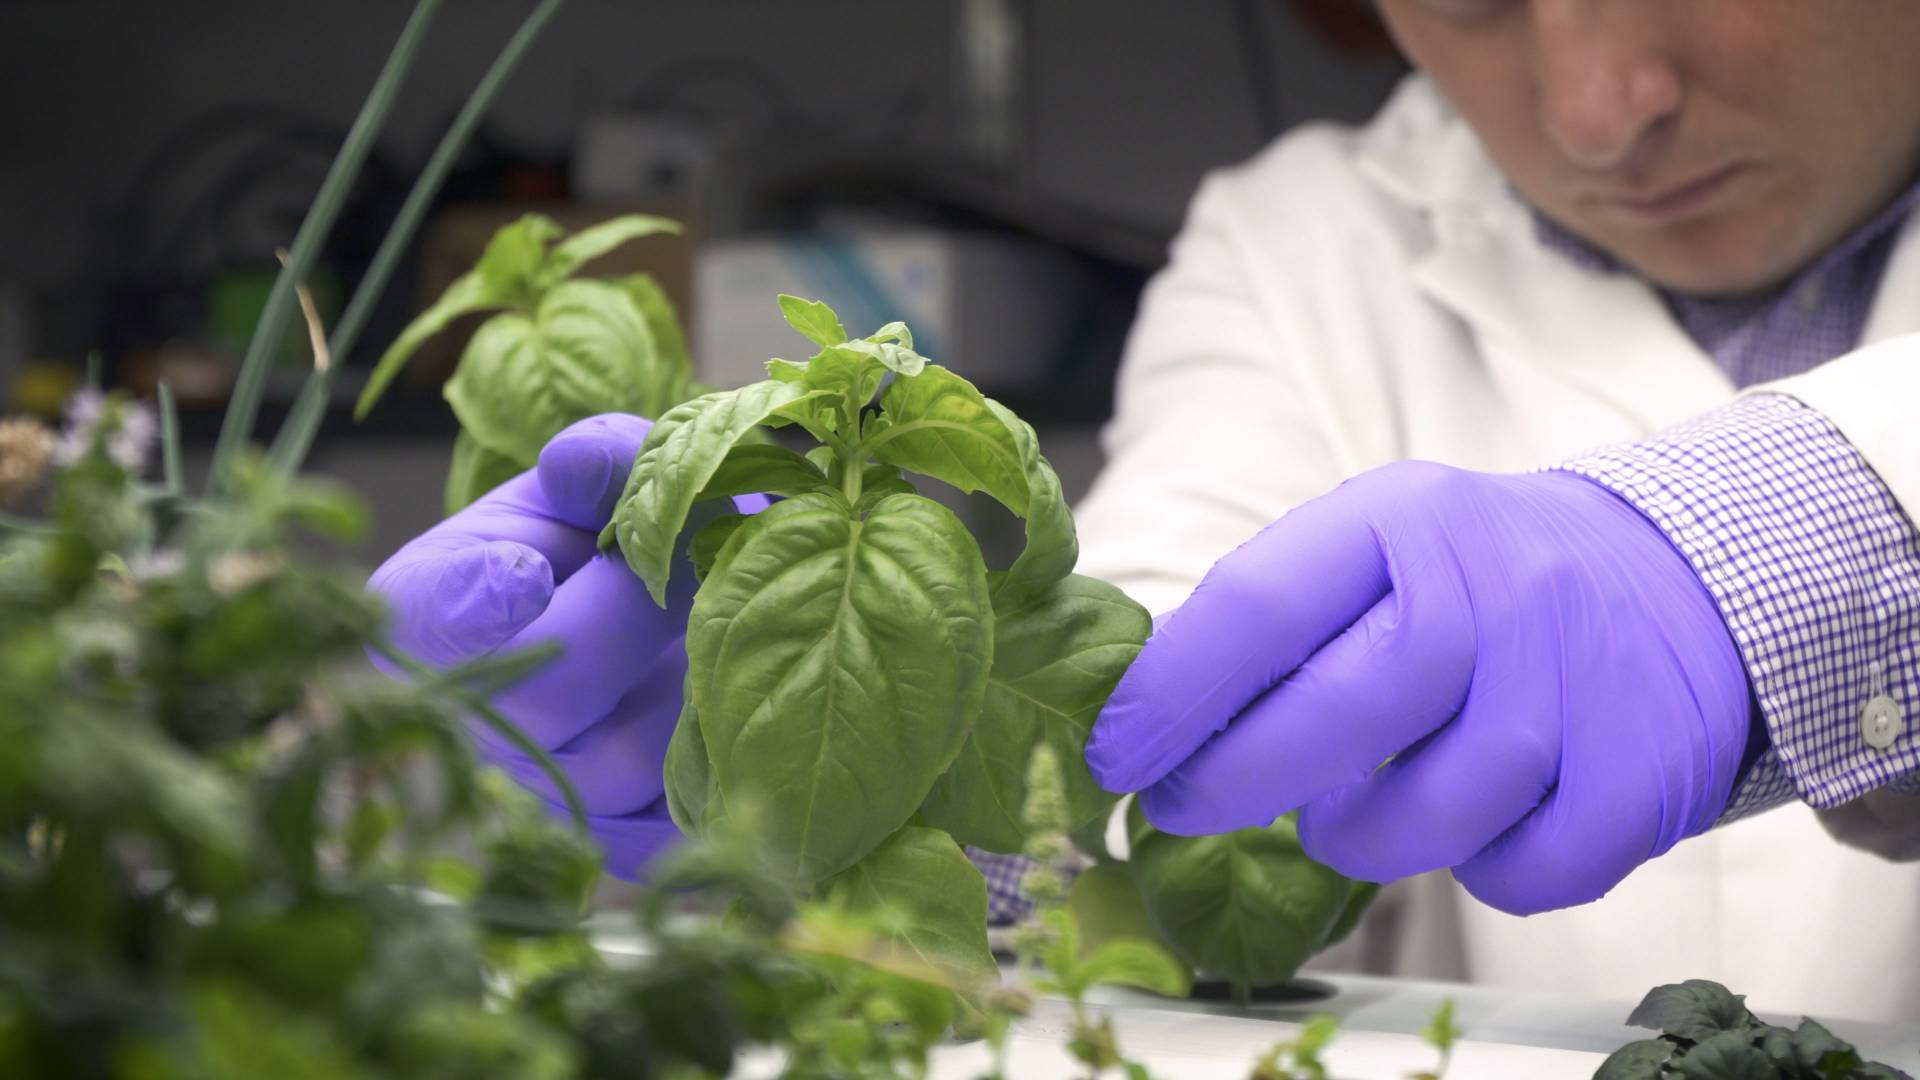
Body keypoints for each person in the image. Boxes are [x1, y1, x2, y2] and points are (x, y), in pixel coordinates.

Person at [372, 2, 1920, 1021]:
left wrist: (1791, 548)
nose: (1600, 109)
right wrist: (785, 775)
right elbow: (1143, 709)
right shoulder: (1298, 238)